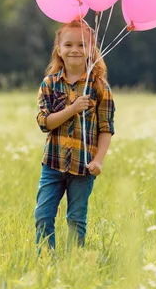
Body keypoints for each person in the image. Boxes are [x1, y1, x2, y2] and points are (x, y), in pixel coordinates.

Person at [34, 19, 115, 250]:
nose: (75, 50)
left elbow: (106, 128)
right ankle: (45, 260)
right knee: (43, 215)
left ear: (91, 50)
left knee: (76, 219)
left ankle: (74, 264)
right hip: (53, 164)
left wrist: (99, 160)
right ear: (58, 49)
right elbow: (44, 123)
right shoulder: (49, 84)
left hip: (83, 167)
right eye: (68, 45)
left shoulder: (100, 87)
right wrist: (71, 109)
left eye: (82, 45)